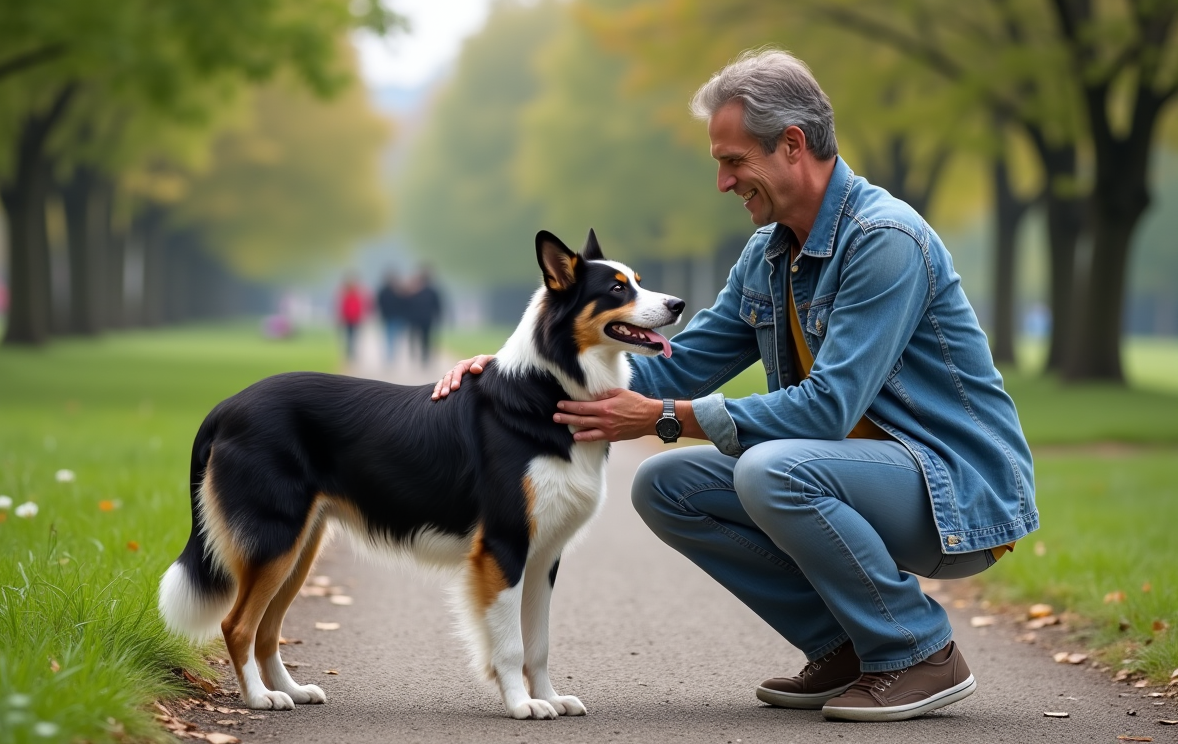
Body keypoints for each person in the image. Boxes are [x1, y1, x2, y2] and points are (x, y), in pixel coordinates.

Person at [433, 49, 1035, 723]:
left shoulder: (885, 240)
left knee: (775, 470)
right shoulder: (771, 250)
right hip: (860, 476)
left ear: (793, 145)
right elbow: (681, 362)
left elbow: (829, 409)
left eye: (733, 160)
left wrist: (665, 417)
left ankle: (919, 653)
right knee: (666, 488)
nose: (723, 181)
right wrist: (522, 372)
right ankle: (847, 646)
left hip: (951, 489)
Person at [404, 265, 443, 364]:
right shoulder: (412, 291)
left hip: (424, 318)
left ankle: (424, 355)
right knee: (415, 337)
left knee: (424, 338)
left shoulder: (431, 291)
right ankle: (416, 354)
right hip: (417, 318)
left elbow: (437, 305)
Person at [374, 270, 408, 364]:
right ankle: (392, 355)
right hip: (393, 316)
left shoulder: (385, 291)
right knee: (393, 336)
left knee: (391, 336)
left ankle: (391, 355)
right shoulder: (399, 291)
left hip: (392, 316)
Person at [337, 273, 366, 362]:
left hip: (354, 318)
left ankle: (351, 352)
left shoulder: (355, 294)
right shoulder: (346, 294)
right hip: (348, 318)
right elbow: (342, 307)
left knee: (352, 336)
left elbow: (360, 306)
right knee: (350, 336)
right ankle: (350, 352)